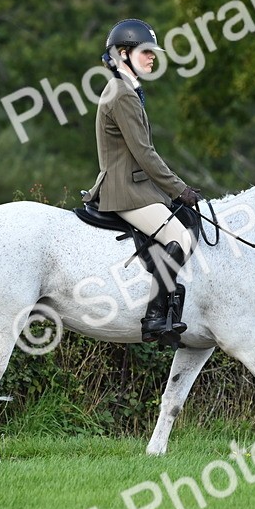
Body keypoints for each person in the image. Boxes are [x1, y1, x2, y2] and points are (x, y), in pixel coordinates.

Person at [84, 18, 201, 344]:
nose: (152, 58)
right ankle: (154, 319)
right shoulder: (121, 94)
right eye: (145, 52)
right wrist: (181, 189)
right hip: (125, 189)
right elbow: (145, 153)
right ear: (123, 54)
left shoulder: (126, 89)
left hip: (135, 184)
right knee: (180, 236)